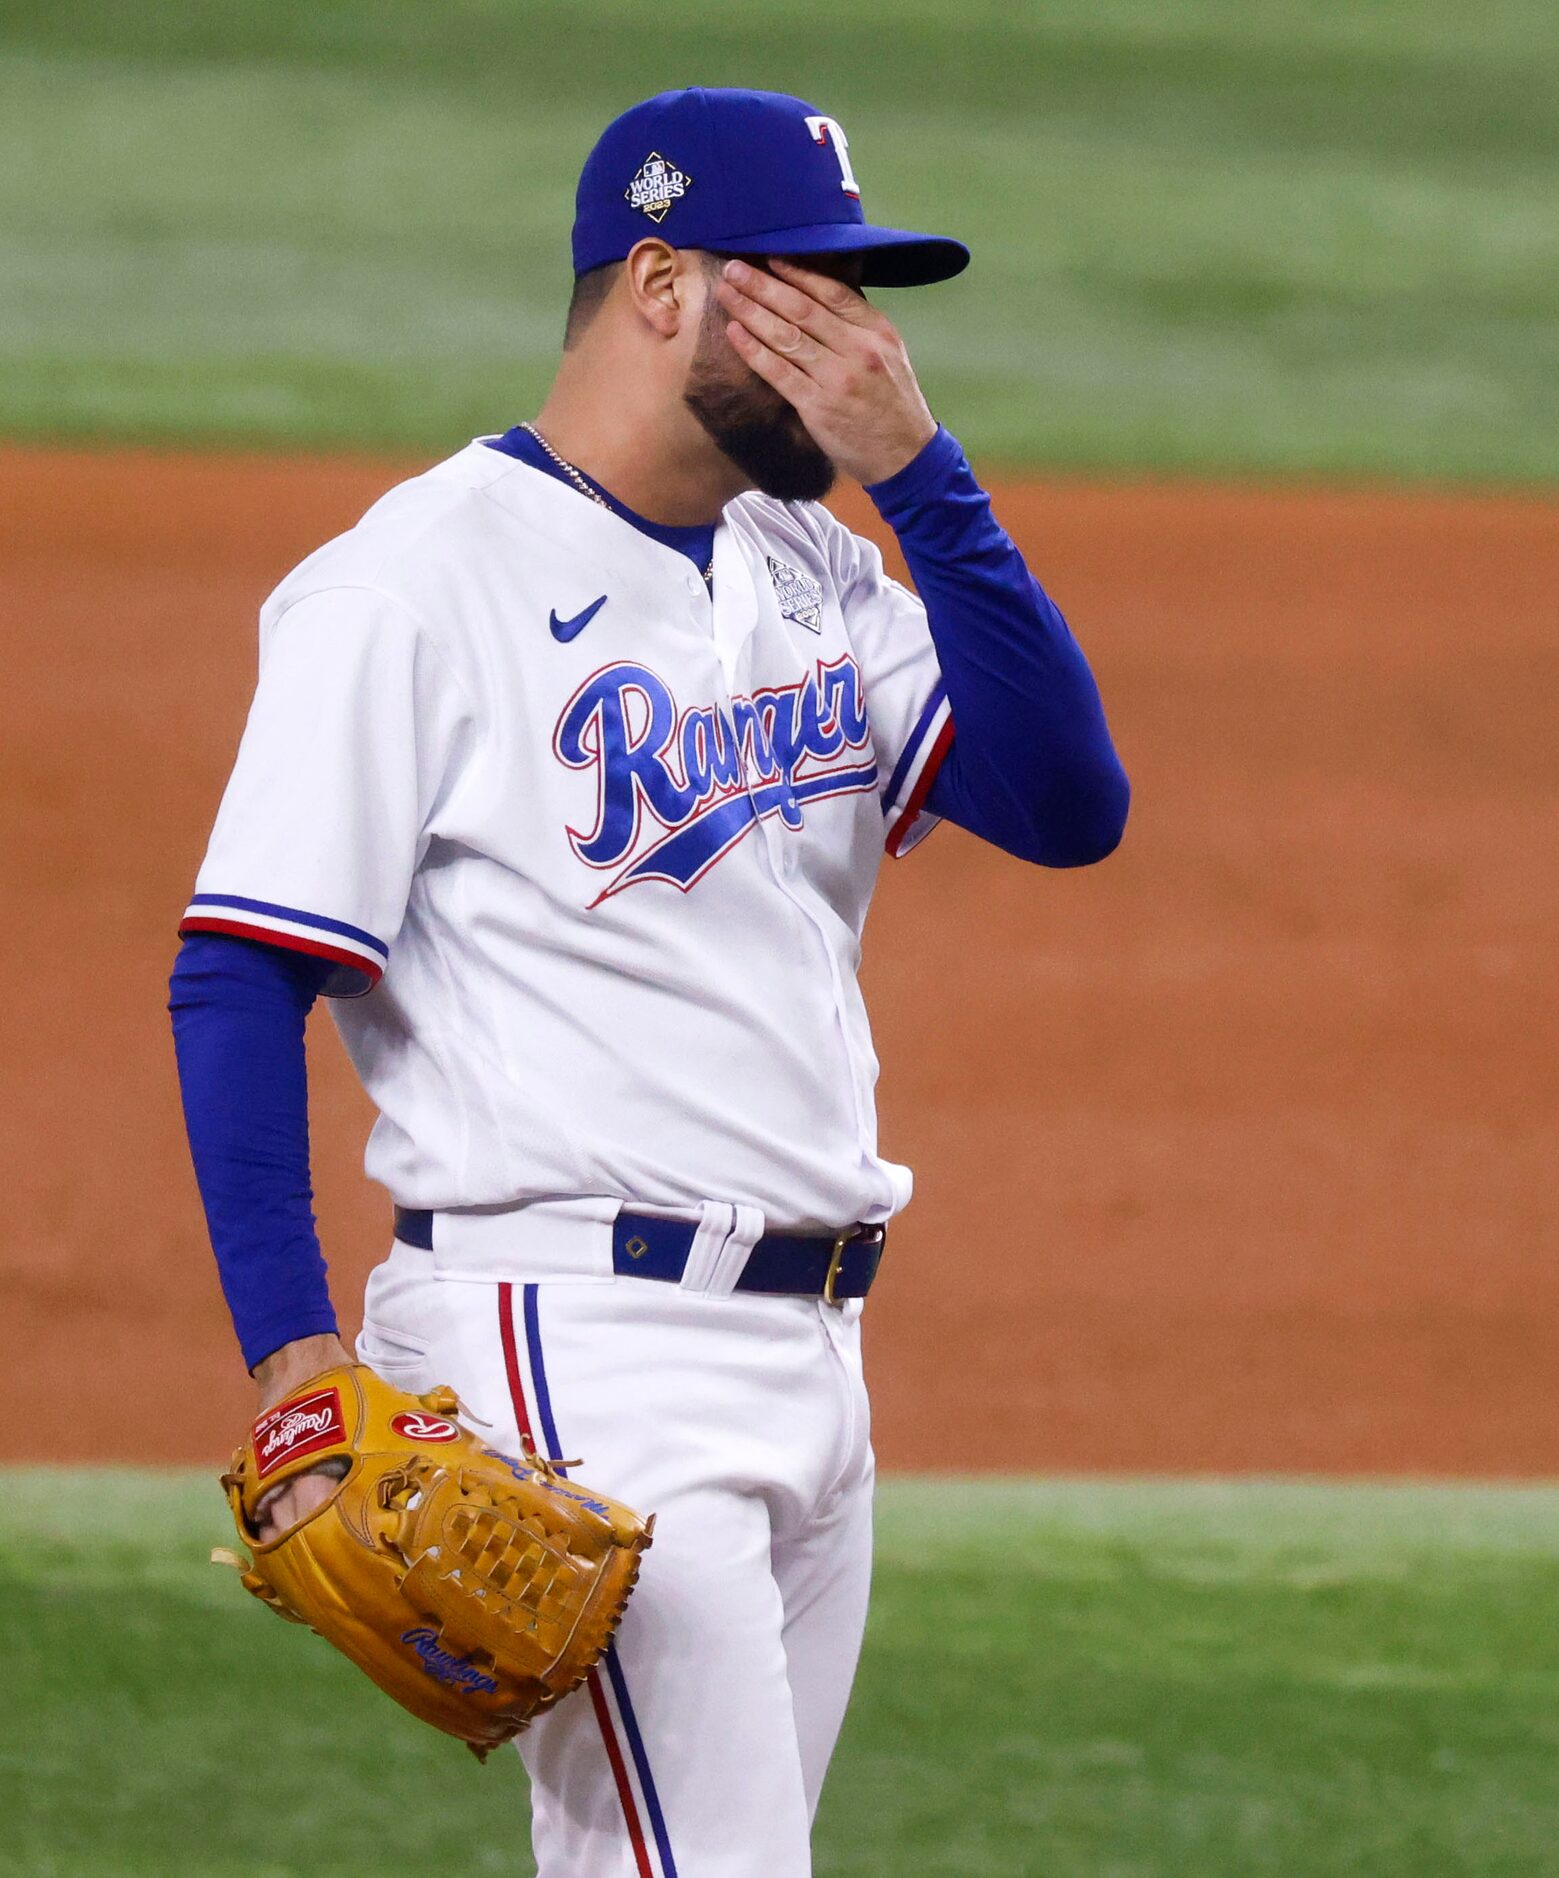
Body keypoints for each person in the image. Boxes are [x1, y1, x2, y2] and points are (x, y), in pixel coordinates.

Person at [170, 85, 1128, 1878]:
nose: (855, 339)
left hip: (811, 1350)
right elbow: (238, 974)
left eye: (862, 297)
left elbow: (1070, 805)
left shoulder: (813, 565)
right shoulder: (407, 586)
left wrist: (924, 480)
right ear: (663, 282)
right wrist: (292, 1363)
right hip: (570, 1346)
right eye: (808, 290)